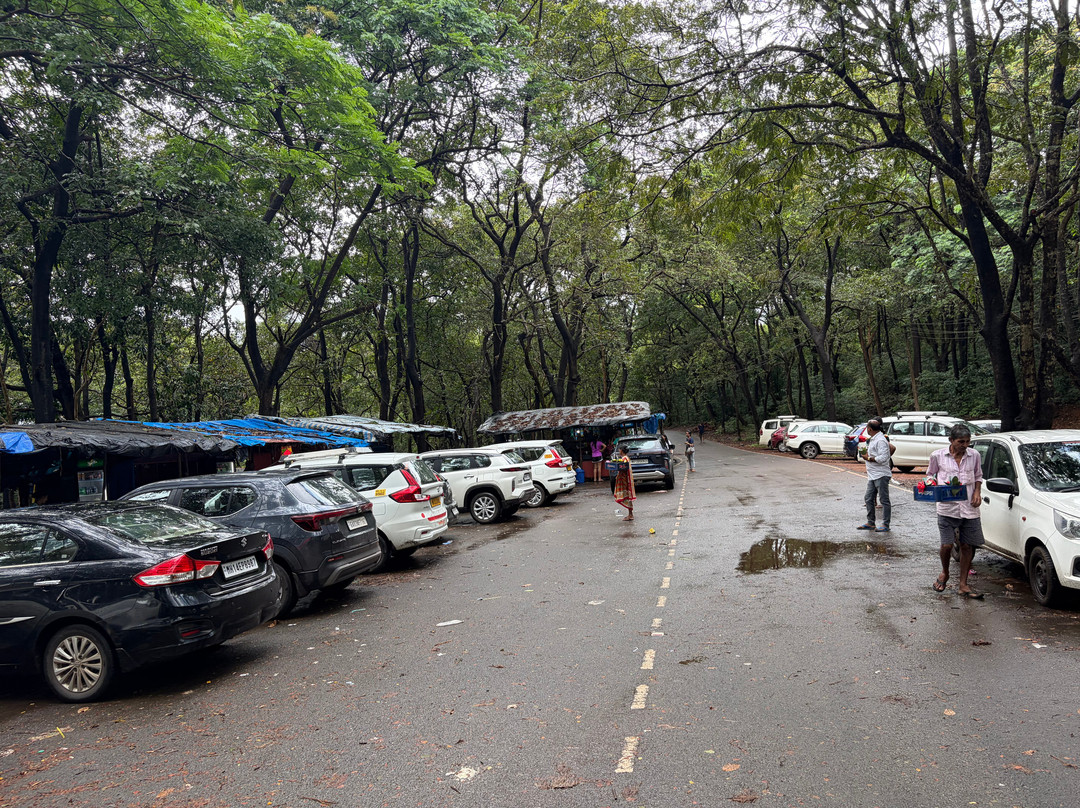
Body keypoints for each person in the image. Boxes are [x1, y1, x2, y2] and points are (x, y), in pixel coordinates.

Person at [927, 423, 985, 599]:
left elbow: (978, 476)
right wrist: (932, 485)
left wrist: (977, 492)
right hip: (947, 507)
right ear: (951, 440)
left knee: (967, 545)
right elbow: (930, 475)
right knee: (946, 545)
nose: (965, 445)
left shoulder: (974, 455)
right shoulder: (937, 456)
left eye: (968, 441)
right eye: (961, 441)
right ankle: (945, 572)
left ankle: (963, 584)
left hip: (969, 507)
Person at [857, 417, 893, 532]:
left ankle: (885, 524)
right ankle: (870, 522)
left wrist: (870, 458)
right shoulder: (873, 439)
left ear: (870, 429)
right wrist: (865, 454)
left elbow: (884, 458)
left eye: (867, 428)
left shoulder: (881, 440)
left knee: (884, 500)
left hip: (881, 474)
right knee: (868, 498)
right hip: (872, 474)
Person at [612, 444, 636, 520]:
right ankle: (630, 514)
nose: (619, 451)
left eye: (619, 449)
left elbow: (623, 468)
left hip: (624, 480)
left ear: (621, 450)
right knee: (628, 496)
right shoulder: (626, 458)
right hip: (626, 479)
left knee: (627, 496)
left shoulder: (624, 459)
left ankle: (630, 514)